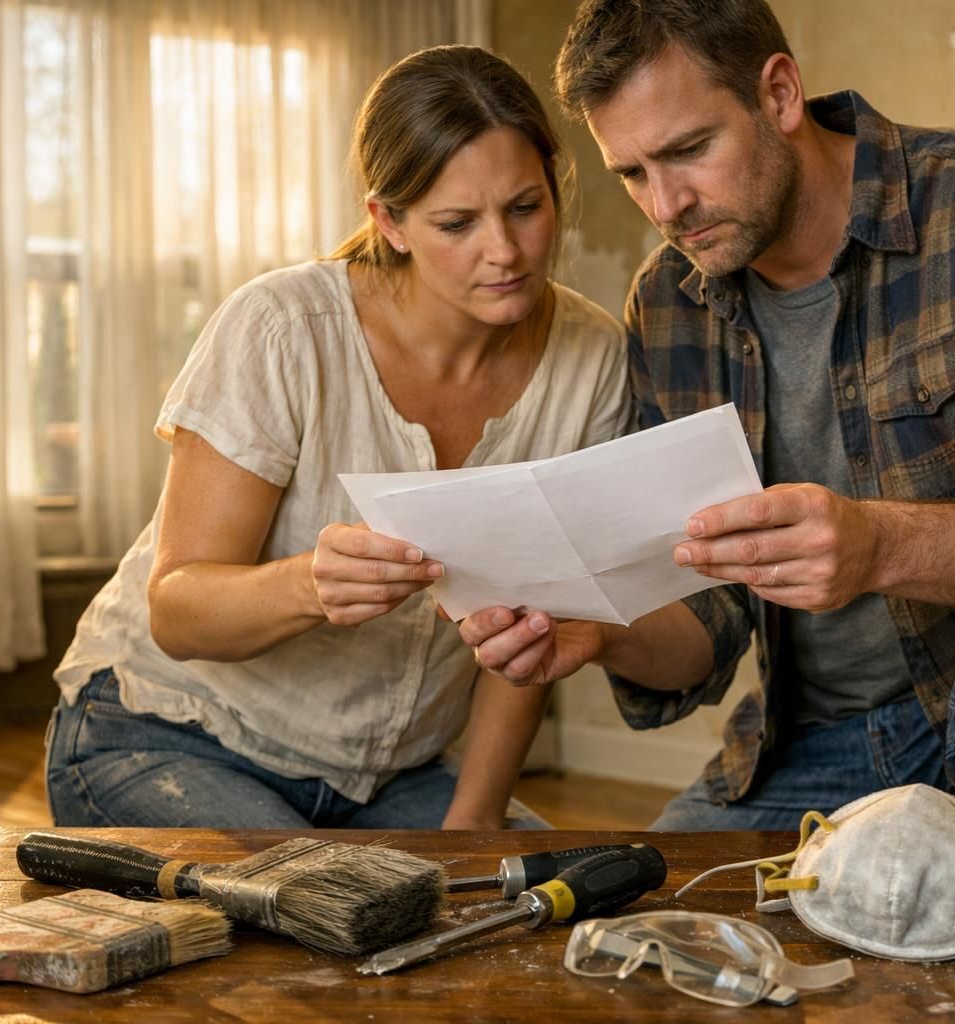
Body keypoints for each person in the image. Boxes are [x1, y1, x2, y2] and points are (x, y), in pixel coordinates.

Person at [461, 0, 955, 829]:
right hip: (818, 746)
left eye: (688, 151)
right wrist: (602, 633)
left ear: (779, 94)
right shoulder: (671, 302)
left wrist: (880, 546)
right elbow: (708, 613)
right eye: (633, 173)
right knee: (654, 918)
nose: (665, 205)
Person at [45, 45, 631, 829]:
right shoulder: (281, 327)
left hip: (388, 779)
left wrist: (475, 821)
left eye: (525, 207)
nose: (506, 251)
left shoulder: (590, 358)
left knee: (542, 904)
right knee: (340, 913)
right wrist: (305, 586)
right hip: (164, 736)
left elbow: (532, 632)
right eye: (456, 223)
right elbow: (176, 613)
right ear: (387, 221)